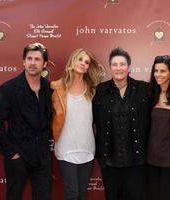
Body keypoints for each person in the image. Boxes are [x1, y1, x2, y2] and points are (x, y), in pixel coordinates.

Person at [0, 43, 52, 200]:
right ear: (23, 62)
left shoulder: (49, 88)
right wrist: (12, 154)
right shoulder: (8, 88)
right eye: (29, 58)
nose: (32, 62)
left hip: (42, 158)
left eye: (37, 59)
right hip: (18, 158)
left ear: (44, 64)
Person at [92, 47, 151, 200]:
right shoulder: (100, 91)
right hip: (110, 161)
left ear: (129, 67)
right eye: (115, 64)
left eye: (122, 64)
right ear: (110, 68)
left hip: (136, 161)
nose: (119, 68)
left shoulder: (143, 89)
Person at [51, 49, 102, 200]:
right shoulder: (57, 88)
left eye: (86, 62)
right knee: (72, 193)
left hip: (87, 149)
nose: (83, 64)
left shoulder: (92, 89)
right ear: (73, 61)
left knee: (81, 194)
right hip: (66, 149)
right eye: (80, 59)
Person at [147, 55, 170, 200]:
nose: (158, 74)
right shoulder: (149, 94)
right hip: (150, 157)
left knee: (168, 195)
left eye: (162, 71)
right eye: (155, 71)